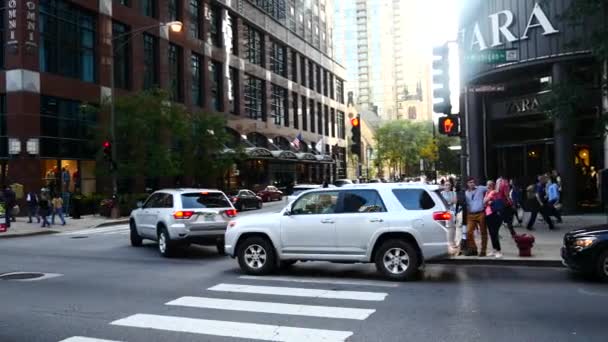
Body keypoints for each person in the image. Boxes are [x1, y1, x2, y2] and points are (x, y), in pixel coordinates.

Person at [465, 177, 488, 256]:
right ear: (467, 184)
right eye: (470, 182)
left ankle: (483, 251)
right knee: (468, 232)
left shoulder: (481, 188)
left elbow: (490, 188)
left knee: (483, 232)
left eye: (473, 182)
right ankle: (474, 249)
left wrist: (489, 199)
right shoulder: (466, 193)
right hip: (470, 215)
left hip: (480, 213)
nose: (472, 184)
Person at [484, 180, 504, 258]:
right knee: (492, 233)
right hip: (488, 215)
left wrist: (489, 202)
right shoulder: (486, 193)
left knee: (495, 233)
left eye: (490, 185)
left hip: (495, 215)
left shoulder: (495, 192)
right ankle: (494, 250)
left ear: (493, 186)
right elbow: (484, 202)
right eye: (487, 184)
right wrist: (488, 202)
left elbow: (485, 201)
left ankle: (498, 251)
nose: (488, 186)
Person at [441, 181, 458, 251]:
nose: (447, 186)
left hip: (452, 211)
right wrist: (450, 202)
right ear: (444, 186)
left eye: (449, 185)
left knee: (453, 228)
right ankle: (449, 243)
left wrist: (449, 202)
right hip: (444, 211)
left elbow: (455, 201)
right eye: (446, 185)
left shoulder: (453, 193)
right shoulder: (441, 193)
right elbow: (442, 202)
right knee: (447, 227)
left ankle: (452, 242)